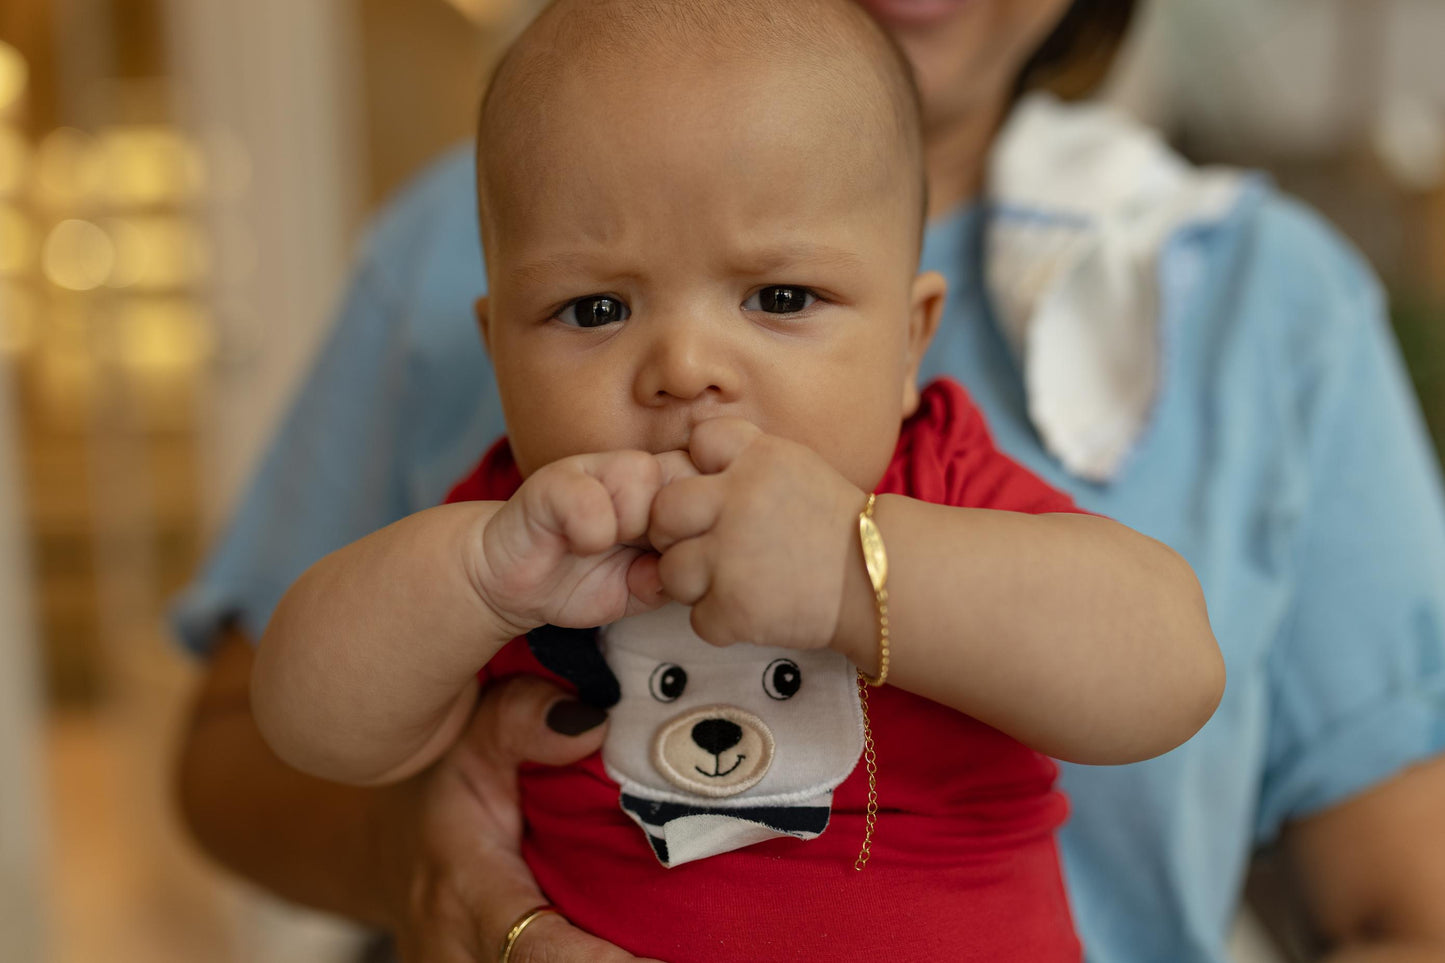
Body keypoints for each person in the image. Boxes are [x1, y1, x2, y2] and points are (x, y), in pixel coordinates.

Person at [173, 0, 1445, 960]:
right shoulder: (518, 513)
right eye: (590, 308)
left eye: (780, 299)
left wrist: (855, 568)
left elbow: (1168, 669)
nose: (680, 363)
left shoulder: (936, 474)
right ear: (494, 335)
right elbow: (297, 721)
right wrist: (468, 579)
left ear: (910, 340)